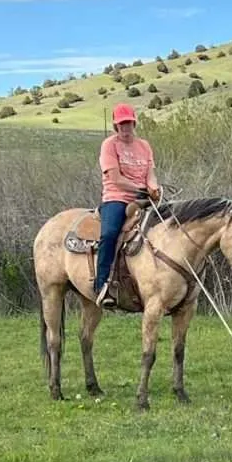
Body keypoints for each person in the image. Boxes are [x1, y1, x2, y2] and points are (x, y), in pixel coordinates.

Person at [94, 102, 160, 308]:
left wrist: (154, 188)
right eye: (121, 124)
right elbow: (115, 178)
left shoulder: (144, 146)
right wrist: (139, 189)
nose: (125, 128)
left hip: (142, 198)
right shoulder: (109, 145)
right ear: (116, 126)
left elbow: (150, 173)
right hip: (117, 197)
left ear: (134, 123)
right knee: (110, 233)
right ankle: (102, 283)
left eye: (128, 123)